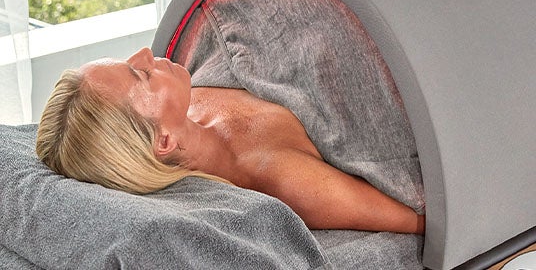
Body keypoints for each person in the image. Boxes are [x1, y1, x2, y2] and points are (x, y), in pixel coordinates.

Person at [36, 46, 425, 235]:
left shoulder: (192, 101)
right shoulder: (282, 176)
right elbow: (421, 221)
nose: (144, 54)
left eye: (125, 61)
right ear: (164, 142)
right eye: (140, 75)